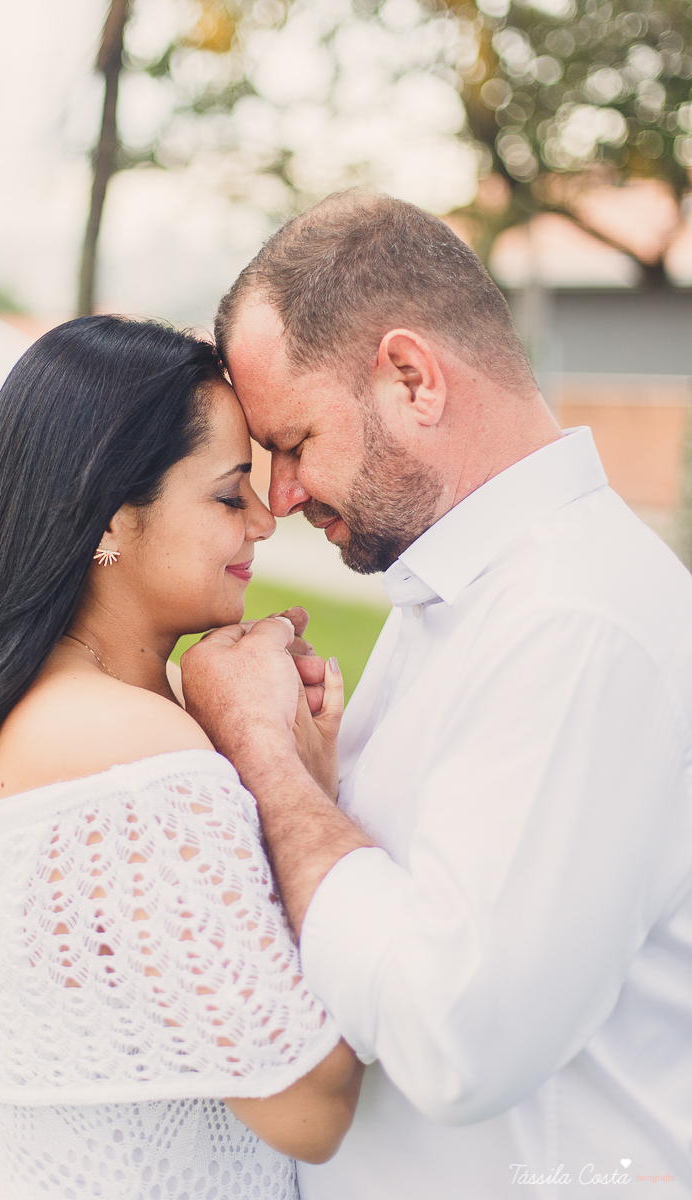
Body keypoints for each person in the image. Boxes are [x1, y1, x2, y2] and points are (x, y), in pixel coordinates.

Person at [179, 193, 692, 1199]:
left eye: (291, 441)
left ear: (410, 379)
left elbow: (460, 1038)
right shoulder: (458, 593)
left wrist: (269, 765)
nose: (278, 497)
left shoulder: (573, 621)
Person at [0, 315, 362, 1200]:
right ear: (111, 511)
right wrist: (277, 769)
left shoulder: (59, 718)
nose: (266, 519)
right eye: (230, 495)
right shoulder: (127, 753)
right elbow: (309, 1106)